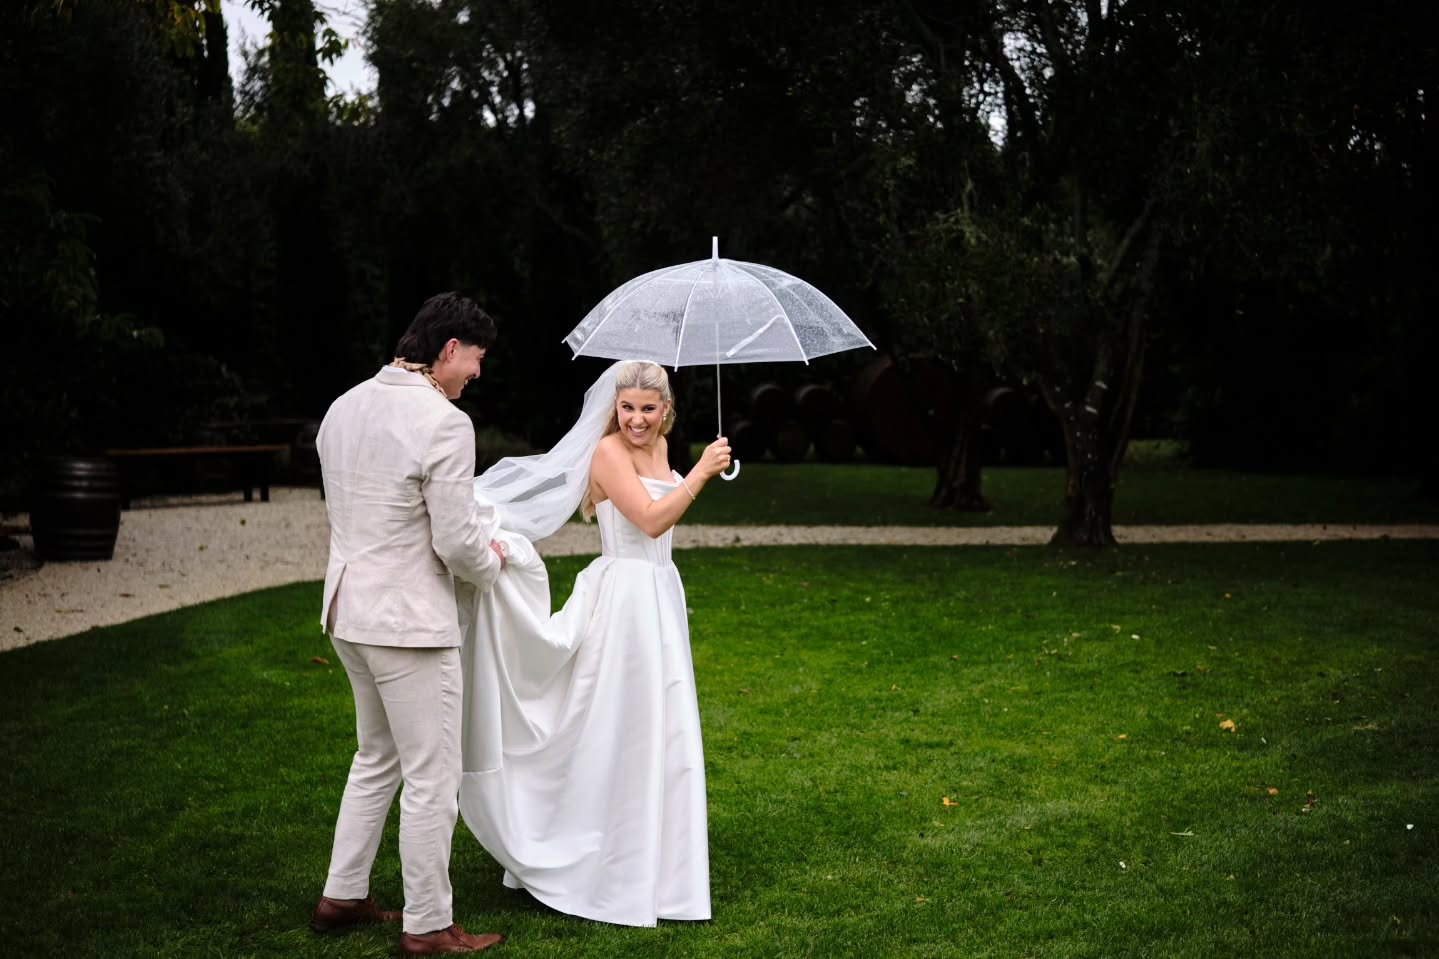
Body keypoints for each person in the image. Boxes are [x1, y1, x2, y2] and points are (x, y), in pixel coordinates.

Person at [456, 360, 731, 927]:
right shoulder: (609, 452)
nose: (635, 418)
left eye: (647, 409)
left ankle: (657, 869)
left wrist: (688, 471)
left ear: (666, 411)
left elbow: (663, 518)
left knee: (659, 726)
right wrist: (700, 473)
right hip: (624, 598)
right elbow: (651, 520)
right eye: (627, 407)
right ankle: (584, 854)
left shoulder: (660, 450)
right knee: (613, 726)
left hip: (659, 594)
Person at [312, 292, 507, 956]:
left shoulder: (343, 405)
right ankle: (427, 924)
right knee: (431, 774)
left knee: (376, 755)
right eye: (475, 360)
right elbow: (455, 542)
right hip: (407, 624)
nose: (476, 374)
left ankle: (341, 893)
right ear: (449, 349)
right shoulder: (444, 422)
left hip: (347, 613)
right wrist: (493, 563)